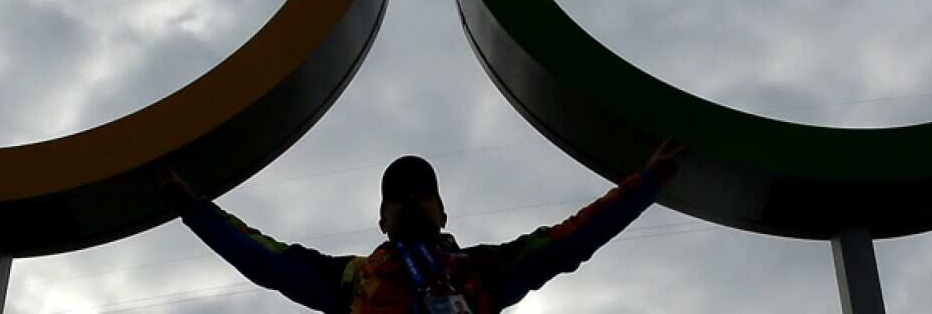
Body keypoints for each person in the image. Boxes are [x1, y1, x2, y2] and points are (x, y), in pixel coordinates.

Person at [156, 137, 687, 313]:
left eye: (422, 193)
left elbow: (572, 239)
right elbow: (265, 260)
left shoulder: (483, 268)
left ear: (443, 212)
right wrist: (194, 209)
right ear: (381, 219)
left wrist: (644, 184)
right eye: (397, 197)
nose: (410, 200)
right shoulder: (352, 278)